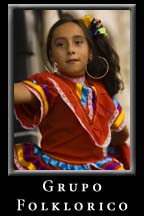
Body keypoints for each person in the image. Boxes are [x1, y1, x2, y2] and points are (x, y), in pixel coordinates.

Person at [14, 14, 130, 170]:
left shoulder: (101, 95)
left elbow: (122, 134)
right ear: (51, 55)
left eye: (78, 42)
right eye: (61, 44)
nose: (70, 50)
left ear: (90, 53)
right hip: (52, 167)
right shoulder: (48, 86)